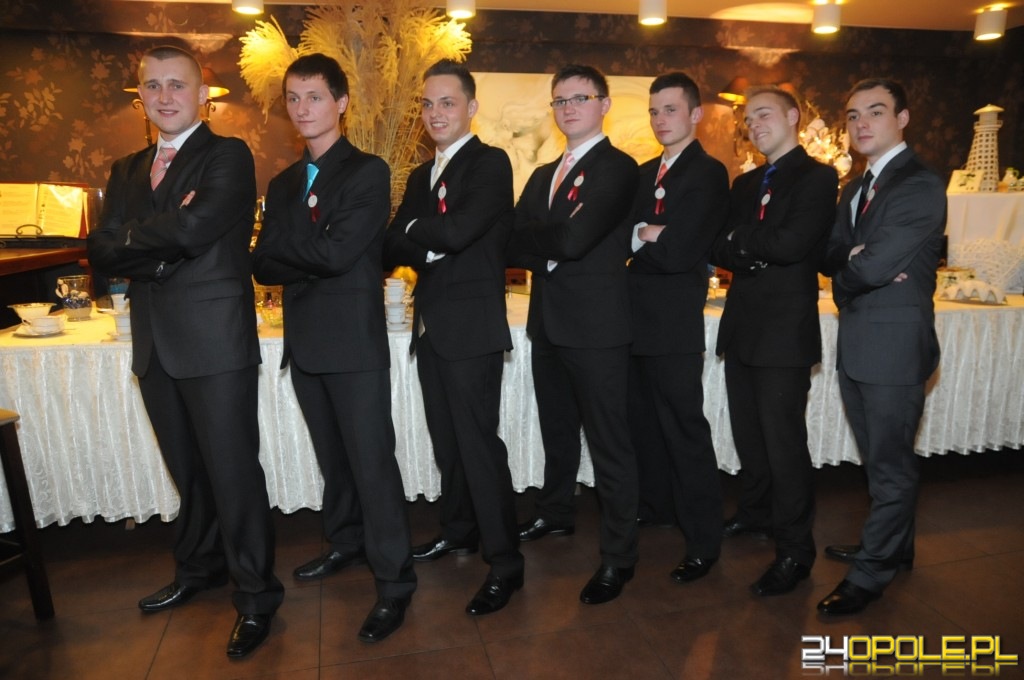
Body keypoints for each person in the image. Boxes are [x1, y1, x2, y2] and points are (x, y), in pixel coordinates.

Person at [86, 44, 283, 658]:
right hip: (154, 344)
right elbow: (100, 251)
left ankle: (257, 597)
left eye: (177, 85)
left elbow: (198, 230)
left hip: (215, 340)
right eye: (152, 86)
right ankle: (200, 568)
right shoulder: (125, 168)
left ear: (202, 95)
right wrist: (156, 241)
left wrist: (135, 243)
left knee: (232, 472)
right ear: (140, 97)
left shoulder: (228, 155)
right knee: (188, 472)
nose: (164, 96)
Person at [251, 53, 416, 642]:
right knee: (334, 461)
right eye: (293, 98)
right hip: (305, 346)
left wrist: (293, 249)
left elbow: (340, 253)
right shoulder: (282, 183)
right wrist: (308, 248)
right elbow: (262, 265)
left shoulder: (368, 171)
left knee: (372, 464)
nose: (302, 109)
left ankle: (395, 583)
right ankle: (346, 543)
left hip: (354, 345)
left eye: (314, 97)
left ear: (342, 103)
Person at [382, 59, 524, 616]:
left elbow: (461, 231)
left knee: (479, 447)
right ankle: (459, 530)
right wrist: (426, 237)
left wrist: (418, 232)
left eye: (447, 102)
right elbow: (392, 243)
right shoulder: (423, 175)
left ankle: (505, 563)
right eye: (427, 103)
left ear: (471, 107)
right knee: (448, 445)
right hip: (431, 328)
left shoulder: (490, 163)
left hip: (471, 329)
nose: (435, 113)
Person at [507, 64, 640, 605]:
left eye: (579, 98)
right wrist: (550, 241)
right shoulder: (544, 174)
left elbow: (576, 239)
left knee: (610, 444)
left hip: (598, 329)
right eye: (560, 101)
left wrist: (546, 241)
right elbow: (511, 239)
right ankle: (556, 511)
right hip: (548, 323)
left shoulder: (618, 168)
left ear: (604, 104)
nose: (568, 109)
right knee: (557, 430)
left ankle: (619, 557)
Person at [817, 78, 945, 615]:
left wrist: (855, 266)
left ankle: (870, 574)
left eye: (875, 111)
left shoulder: (919, 184)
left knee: (890, 467)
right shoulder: (855, 188)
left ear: (903, 118)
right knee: (879, 460)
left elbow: (867, 268)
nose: (861, 123)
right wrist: (856, 262)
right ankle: (895, 546)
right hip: (859, 342)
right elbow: (830, 254)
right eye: (852, 115)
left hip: (893, 346)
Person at [711, 85, 837, 597]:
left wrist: (744, 243)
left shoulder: (817, 177)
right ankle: (756, 512)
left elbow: (791, 243)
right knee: (750, 436)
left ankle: (795, 551)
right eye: (749, 119)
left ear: (793, 116)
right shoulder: (744, 183)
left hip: (784, 333)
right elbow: (717, 245)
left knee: (784, 445)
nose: (754, 125)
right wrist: (749, 246)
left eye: (763, 114)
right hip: (742, 327)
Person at [627, 72, 729, 584]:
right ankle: (658, 506)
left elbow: (681, 252)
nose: (660, 119)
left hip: (674, 324)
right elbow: (623, 238)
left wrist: (645, 238)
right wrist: (647, 235)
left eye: (670, 109)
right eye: (654, 111)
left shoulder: (708, 173)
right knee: (643, 424)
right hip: (633, 320)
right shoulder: (643, 173)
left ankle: (704, 540)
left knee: (685, 430)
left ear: (695, 114)